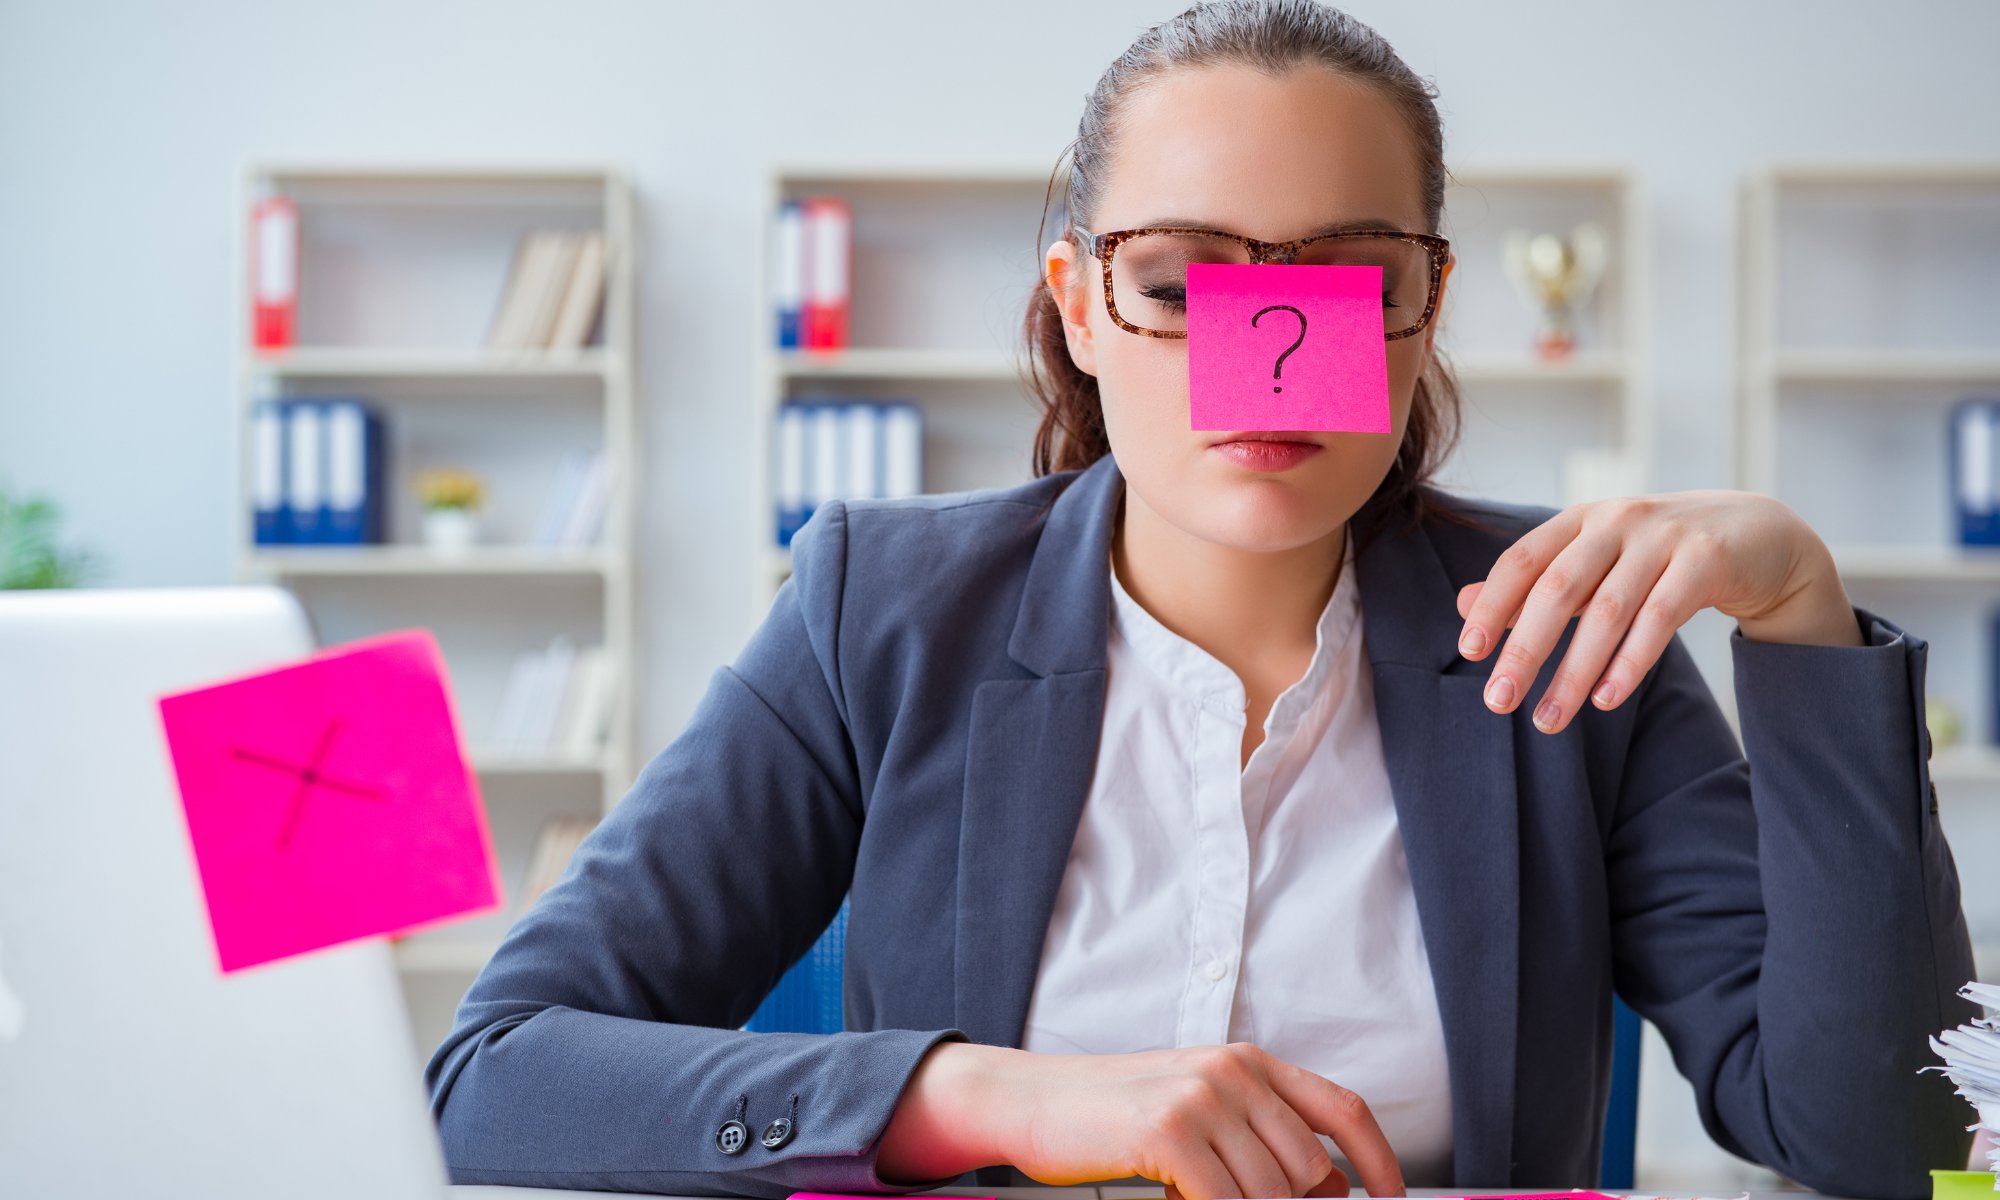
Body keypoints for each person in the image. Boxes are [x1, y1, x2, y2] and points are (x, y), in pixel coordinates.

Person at [421, 3, 1979, 1198]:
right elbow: (500, 1077)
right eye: (1181, 283)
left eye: (1351, 282)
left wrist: (1803, 621)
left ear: (1427, 306)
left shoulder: (1574, 638)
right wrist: (1009, 1094)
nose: (1276, 356)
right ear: (1081, 304)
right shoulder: (874, 610)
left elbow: (1895, 1144)